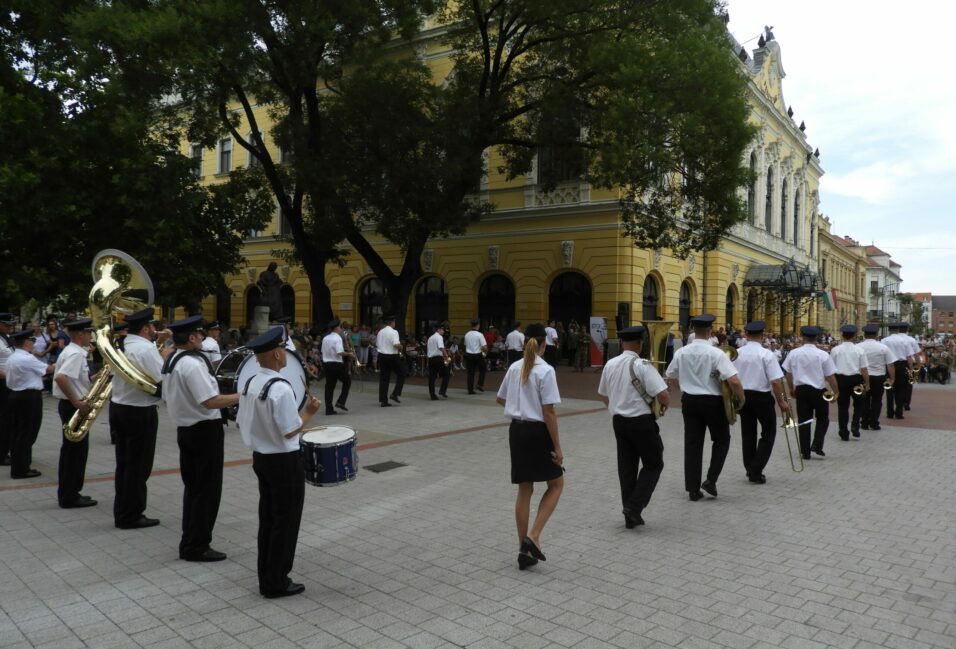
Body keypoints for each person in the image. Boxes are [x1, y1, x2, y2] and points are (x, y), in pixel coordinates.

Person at [237, 327, 321, 599]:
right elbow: (289, 430)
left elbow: (242, 421)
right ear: (276, 353)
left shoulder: (250, 382)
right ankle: (276, 581)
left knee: (269, 519)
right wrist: (309, 412)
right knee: (285, 522)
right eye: (283, 349)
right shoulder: (281, 388)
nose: (285, 354)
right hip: (284, 462)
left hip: (261, 458)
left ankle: (267, 575)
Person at [161, 315, 239, 562]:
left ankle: (190, 541)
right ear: (192, 337)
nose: (203, 337)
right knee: (206, 491)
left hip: (187, 430)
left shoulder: (172, 359)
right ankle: (197, 545)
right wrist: (242, 395)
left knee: (194, 489)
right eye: (200, 334)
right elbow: (210, 401)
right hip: (203, 430)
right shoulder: (192, 364)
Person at [496, 323, 563, 570]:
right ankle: (533, 537)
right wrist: (558, 446)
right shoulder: (545, 370)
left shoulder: (514, 367)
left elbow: (500, 398)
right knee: (556, 483)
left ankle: (522, 548)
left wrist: (518, 402)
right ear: (544, 344)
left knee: (525, 489)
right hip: (537, 431)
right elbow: (549, 412)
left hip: (517, 430)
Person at [666, 314, 744, 501]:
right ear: (710, 332)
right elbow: (733, 380)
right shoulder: (716, 353)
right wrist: (741, 399)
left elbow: (670, 375)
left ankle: (693, 489)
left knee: (693, 443)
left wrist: (685, 386)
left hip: (690, 401)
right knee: (722, 440)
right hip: (713, 402)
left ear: (693, 330)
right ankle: (710, 480)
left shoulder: (681, 352)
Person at [598, 326, 670, 527]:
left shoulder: (610, 364)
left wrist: (616, 406)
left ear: (622, 343)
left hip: (618, 421)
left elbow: (603, 394)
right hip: (641, 421)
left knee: (627, 467)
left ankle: (629, 514)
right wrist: (665, 402)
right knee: (654, 463)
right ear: (640, 343)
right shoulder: (643, 365)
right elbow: (663, 396)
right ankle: (634, 506)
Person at [111, 308, 170, 529]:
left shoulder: (121, 345)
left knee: (124, 464)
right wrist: (165, 357)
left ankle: (122, 510)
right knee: (139, 466)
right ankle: (132, 514)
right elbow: (160, 380)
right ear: (146, 328)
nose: (155, 330)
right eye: (153, 327)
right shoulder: (145, 349)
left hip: (119, 407)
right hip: (139, 411)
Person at [733, 321, 789, 484]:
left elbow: (731, 378)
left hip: (743, 396)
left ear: (746, 334)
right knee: (768, 432)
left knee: (747, 433)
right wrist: (782, 402)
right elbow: (776, 382)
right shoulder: (767, 354)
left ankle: (750, 467)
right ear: (762, 335)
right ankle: (756, 469)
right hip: (762, 398)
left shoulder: (737, 352)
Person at [53, 319, 99, 506]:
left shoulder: (73, 352)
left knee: (73, 451)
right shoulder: (76, 354)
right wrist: (76, 401)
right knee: (75, 453)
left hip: (71, 405)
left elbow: (75, 379)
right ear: (81, 334)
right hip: (72, 407)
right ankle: (69, 495)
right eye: (89, 333)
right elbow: (60, 377)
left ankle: (70, 492)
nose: (91, 336)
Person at [782, 326, 839, 460]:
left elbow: (788, 373)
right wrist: (836, 392)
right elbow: (830, 376)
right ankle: (817, 445)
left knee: (804, 420)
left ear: (802, 337)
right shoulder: (823, 354)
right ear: (816, 338)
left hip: (801, 390)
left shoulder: (794, 353)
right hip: (819, 390)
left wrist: (791, 388)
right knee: (823, 418)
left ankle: (805, 451)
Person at [6, 330, 56, 479]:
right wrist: (57, 363)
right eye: (32, 341)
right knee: (27, 433)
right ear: (26, 342)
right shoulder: (27, 358)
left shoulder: (12, 357)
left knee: (18, 433)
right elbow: (47, 370)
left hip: (15, 395)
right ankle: (22, 469)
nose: (33, 343)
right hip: (29, 397)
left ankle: (18, 466)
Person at [830, 325, 869, 440]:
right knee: (859, 404)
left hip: (840, 379)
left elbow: (831, 368)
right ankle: (855, 426)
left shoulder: (835, 350)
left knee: (842, 407)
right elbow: (864, 369)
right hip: (856, 380)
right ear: (854, 336)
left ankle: (843, 431)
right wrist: (867, 383)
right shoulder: (859, 350)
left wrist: (832, 387)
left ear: (842, 335)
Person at [856, 323, 896, 431]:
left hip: (862, 376)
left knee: (864, 399)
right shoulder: (883, 347)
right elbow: (890, 365)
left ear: (864, 334)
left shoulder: (858, 347)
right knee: (877, 400)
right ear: (877, 334)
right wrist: (892, 379)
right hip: (878, 376)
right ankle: (874, 423)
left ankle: (864, 422)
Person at [883, 322, 919, 419]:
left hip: (889, 365)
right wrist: (911, 370)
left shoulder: (884, 340)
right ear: (898, 330)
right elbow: (909, 357)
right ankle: (899, 412)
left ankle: (890, 412)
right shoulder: (905, 341)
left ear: (889, 330)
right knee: (901, 389)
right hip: (902, 365)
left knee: (889, 390)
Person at [321, 318, 353, 415]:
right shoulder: (337, 338)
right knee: (347, 381)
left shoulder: (325, 338)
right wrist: (349, 353)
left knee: (329, 386)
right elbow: (340, 353)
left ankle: (329, 409)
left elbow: (323, 352)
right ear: (336, 328)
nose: (340, 328)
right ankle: (340, 402)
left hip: (326, 364)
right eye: (339, 326)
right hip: (335, 364)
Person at [376, 315, 404, 407]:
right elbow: (396, 345)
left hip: (381, 356)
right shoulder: (394, 332)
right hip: (391, 356)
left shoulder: (380, 332)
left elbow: (377, 344)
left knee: (384, 378)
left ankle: (383, 400)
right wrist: (401, 346)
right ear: (392, 322)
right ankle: (395, 394)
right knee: (402, 373)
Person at [0, 312, 15, 466]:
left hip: (9, 382)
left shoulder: (6, 338)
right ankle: (2, 454)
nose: (9, 327)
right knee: (4, 420)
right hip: (2, 383)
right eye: (6, 324)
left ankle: (6, 450)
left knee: (8, 419)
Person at [426, 323, 451, 400]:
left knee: (432, 378)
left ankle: (432, 395)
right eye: (443, 330)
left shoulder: (430, 338)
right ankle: (442, 391)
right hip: (438, 359)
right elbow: (441, 348)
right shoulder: (439, 337)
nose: (443, 331)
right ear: (438, 329)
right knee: (447, 374)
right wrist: (446, 356)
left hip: (431, 359)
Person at [463, 319, 488, 394]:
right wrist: (485, 351)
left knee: (470, 373)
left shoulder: (467, 334)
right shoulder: (480, 335)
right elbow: (484, 347)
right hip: (477, 355)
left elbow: (465, 345)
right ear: (478, 325)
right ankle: (480, 384)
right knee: (483, 369)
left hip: (468, 355)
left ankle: (470, 390)